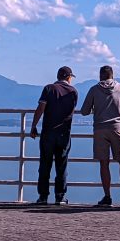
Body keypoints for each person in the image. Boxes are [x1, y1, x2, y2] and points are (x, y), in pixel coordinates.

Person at [81, 65, 120, 207]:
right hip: (118, 128)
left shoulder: (94, 89)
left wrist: (96, 108)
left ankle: (107, 197)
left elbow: (84, 111)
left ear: (100, 76)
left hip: (100, 129)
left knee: (104, 163)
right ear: (112, 75)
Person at [30, 66, 78, 205]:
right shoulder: (73, 92)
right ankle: (60, 196)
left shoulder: (48, 89)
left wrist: (34, 126)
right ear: (69, 77)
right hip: (64, 133)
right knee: (61, 166)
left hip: (48, 133)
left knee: (45, 165)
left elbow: (40, 108)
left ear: (58, 76)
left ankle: (43, 196)